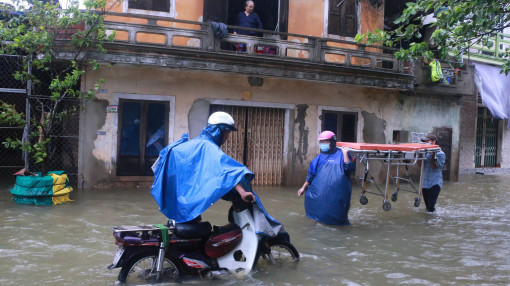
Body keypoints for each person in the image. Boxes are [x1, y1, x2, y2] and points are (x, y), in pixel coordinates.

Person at [150, 111, 255, 223]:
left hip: (180, 198)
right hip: (188, 198)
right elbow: (226, 170)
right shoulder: (207, 146)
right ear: (219, 131)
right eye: (227, 132)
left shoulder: (188, 144)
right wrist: (242, 192)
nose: (227, 137)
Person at [297, 131, 356, 226]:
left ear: (332, 142)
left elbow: (349, 168)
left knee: (338, 216)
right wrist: (303, 188)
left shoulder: (342, 154)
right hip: (318, 194)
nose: (323, 144)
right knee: (317, 217)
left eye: (326, 142)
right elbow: (311, 175)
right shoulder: (318, 158)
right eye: (321, 142)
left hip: (338, 194)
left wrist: (345, 153)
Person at [420, 133, 446, 212]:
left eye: (427, 141)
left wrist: (433, 155)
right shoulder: (425, 153)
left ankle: (433, 222)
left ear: (433, 142)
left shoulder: (441, 154)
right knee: (427, 206)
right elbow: (419, 165)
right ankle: (428, 222)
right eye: (425, 142)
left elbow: (434, 166)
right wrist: (419, 155)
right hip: (425, 182)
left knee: (431, 206)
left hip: (435, 182)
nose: (426, 143)